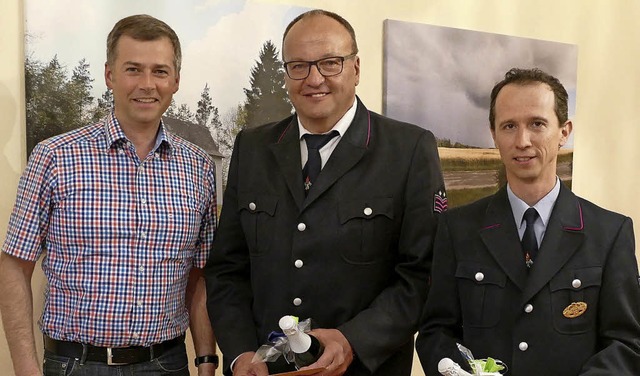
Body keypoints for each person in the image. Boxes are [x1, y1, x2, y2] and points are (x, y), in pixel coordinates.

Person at [204, 9, 446, 376]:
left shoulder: (409, 149)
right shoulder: (253, 147)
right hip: (264, 370)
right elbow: (227, 270)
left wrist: (353, 339)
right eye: (298, 66)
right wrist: (239, 354)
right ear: (286, 74)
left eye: (331, 63)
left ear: (356, 68)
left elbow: (421, 275)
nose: (314, 78)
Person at [0, 14, 218, 376]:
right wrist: (24, 367)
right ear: (109, 75)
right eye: (133, 69)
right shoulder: (54, 156)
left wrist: (207, 361)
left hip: (166, 364)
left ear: (176, 80)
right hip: (75, 364)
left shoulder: (198, 167)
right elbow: (14, 266)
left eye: (160, 71)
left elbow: (200, 276)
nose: (147, 84)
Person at [416, 68, 640, 376]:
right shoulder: (457, 229)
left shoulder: (610, 233)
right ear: (493, 133)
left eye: (537, 123)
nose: (522, 141)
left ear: (564, 131)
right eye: (509, 126)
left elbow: (626, 344)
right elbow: (436, 333)